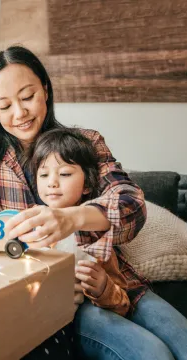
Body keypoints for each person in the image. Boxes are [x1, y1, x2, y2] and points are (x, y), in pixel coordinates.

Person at [0, 45, 187, 360]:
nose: (19, 113)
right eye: (4, 105)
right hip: (56, 301)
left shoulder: (85, 143)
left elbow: (131, 203)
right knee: (151, 353)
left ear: (46, 90)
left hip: (119, 282)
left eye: (27, 97)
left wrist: (72, 218)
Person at [31, 128, 131, 317]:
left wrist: (103, 288)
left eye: (65, 174)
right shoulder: (30, 223)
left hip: (78, 317)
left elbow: (123, 304)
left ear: (87, 185)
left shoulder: (94, 234)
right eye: (43, 175)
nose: (52, 182)